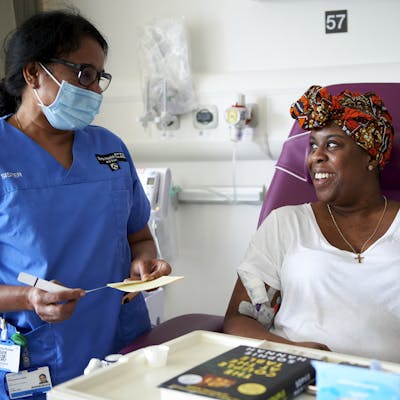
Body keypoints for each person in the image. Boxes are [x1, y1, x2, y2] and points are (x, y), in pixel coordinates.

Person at [0, 9, 171, 393]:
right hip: (41, 353)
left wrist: (145, 262)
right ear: (33, 73)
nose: (94, 90)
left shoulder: (109, 149)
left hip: (123, 344)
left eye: (99, 78)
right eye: (84, 74)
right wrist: (29, 298)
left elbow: (139, 237)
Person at [224, 85, 400, 363]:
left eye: (331, 144)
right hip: (298, 377)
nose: (315, 157)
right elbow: (240, 319)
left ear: (370, 156)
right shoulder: (285, 224)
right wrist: (292, 352)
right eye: (312, 146)